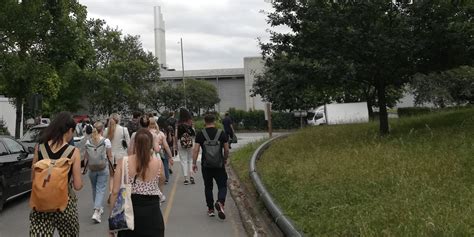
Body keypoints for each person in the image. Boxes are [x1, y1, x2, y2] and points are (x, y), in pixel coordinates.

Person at [29, 112, 83, 236]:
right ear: (69, 130)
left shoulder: (40, 148)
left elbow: (33, 177)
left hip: (41, 204)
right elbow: (78, 185)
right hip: (64, 204)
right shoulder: (74, 152)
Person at [109, 129, 165, 237]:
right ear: (151, 144)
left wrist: (112, 220)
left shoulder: (123, 162)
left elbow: (115, 192)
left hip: (130, 213)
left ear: (134, 144)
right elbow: (161, 183)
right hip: (153, 213)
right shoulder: (158, 163)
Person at [192, 113, 229, 219]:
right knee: (222, 185)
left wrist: (194, 163)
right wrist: (225, 159)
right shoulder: (221, 133)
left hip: (206, 165)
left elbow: (196, 150)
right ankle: (220, 202)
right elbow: (226, 149)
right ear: (215, 121)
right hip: (219, 165)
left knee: (208, 187)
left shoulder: (200, 134)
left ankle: (210, 209)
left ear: (205, 121)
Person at [83, 121, 113, 223]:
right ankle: (97, 211)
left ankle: (98, 207)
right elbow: (109, 156)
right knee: (100, 188)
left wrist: (85, 169)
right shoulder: (106, 141)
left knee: (94, 188)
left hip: (92, 168)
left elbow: (86, 157)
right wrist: (112, 166)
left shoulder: (88, 141)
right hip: (102, 168)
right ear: (102, 129)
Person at [104, 113, 130, 196]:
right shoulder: (124, 129)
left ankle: (111, 193)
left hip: (111, 156)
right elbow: (128, 144)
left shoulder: (106, 130)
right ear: (118, 120)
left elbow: (104, 144)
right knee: (123, 176)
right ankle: (123, 195)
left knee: (112, 177)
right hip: (122, 156)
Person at [148, 117, 174, 186]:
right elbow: (166, 146)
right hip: (161, 151)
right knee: (164, 164)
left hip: (149, 152)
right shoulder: (160, 133)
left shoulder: (146, 133)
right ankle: (165, 178)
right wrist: (170, 157)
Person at [175, 108, 196, 185]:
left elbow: (176, 136)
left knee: (183, 160)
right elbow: (194, 134)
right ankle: (191, 176)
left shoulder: (178, 124)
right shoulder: (189, 123)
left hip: (181, 142)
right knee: (190, 159)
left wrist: (175, 145)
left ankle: (186, 178)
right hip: (190, 143)